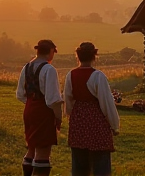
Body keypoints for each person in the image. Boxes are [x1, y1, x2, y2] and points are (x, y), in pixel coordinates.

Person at [63, 42, 120, 176]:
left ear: (78, 56)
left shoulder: (71, 75)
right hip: (96, 119)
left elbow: (68, 99)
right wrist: (114, 125)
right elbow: (106, 102)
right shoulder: (98, 76)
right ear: (94, 56)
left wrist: (72, 115)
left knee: (79, 160)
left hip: (78, 118)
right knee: (101, 159)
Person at [16, 39, 63, 176]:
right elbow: (53, 99)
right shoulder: (49, 69)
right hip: (43, 111)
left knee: (31, 146)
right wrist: (58, 117)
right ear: (50, 51)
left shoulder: (26, 67)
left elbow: (20, 94)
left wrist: (31, 103)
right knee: (43, 150)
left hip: (29, 108)